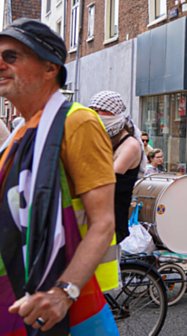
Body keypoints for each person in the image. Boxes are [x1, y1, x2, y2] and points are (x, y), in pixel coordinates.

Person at [1, 19, 118, 333]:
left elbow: (103, 221)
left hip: (61, 310)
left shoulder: (77, 122)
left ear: (50, 68)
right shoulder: (18, 136)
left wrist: (64, 292)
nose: (0, 64)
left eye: (11, 56)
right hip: (16, 297)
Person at [88, 91, 146, 245]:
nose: (94, 115)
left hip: (112, 222)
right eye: (91, 110)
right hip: (94, 218)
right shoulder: (105, 138)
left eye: (98, 110)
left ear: (113, 113)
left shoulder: (130, 145)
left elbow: (106, 179)